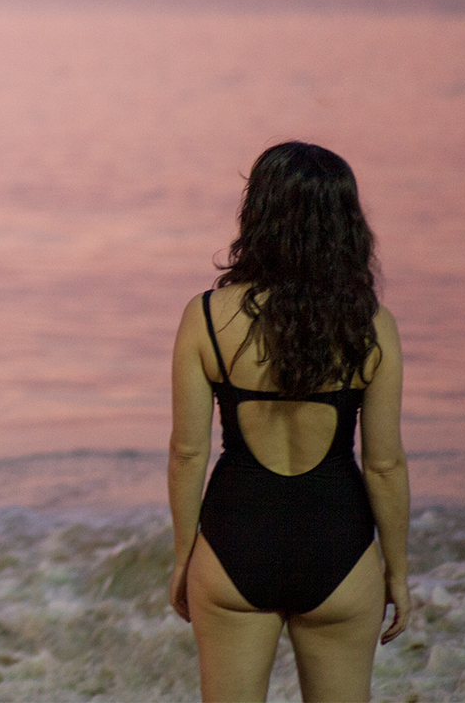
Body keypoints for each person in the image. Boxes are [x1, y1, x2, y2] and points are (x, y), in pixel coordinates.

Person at [166, 142, 411, 703]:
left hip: (234, 545)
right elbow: (384, 464)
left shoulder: (207, 316)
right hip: (339, 549)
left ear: (259, 214)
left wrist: (184, 555)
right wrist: (396, 570)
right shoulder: (372, 326)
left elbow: (187, 453)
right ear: (346, 224)